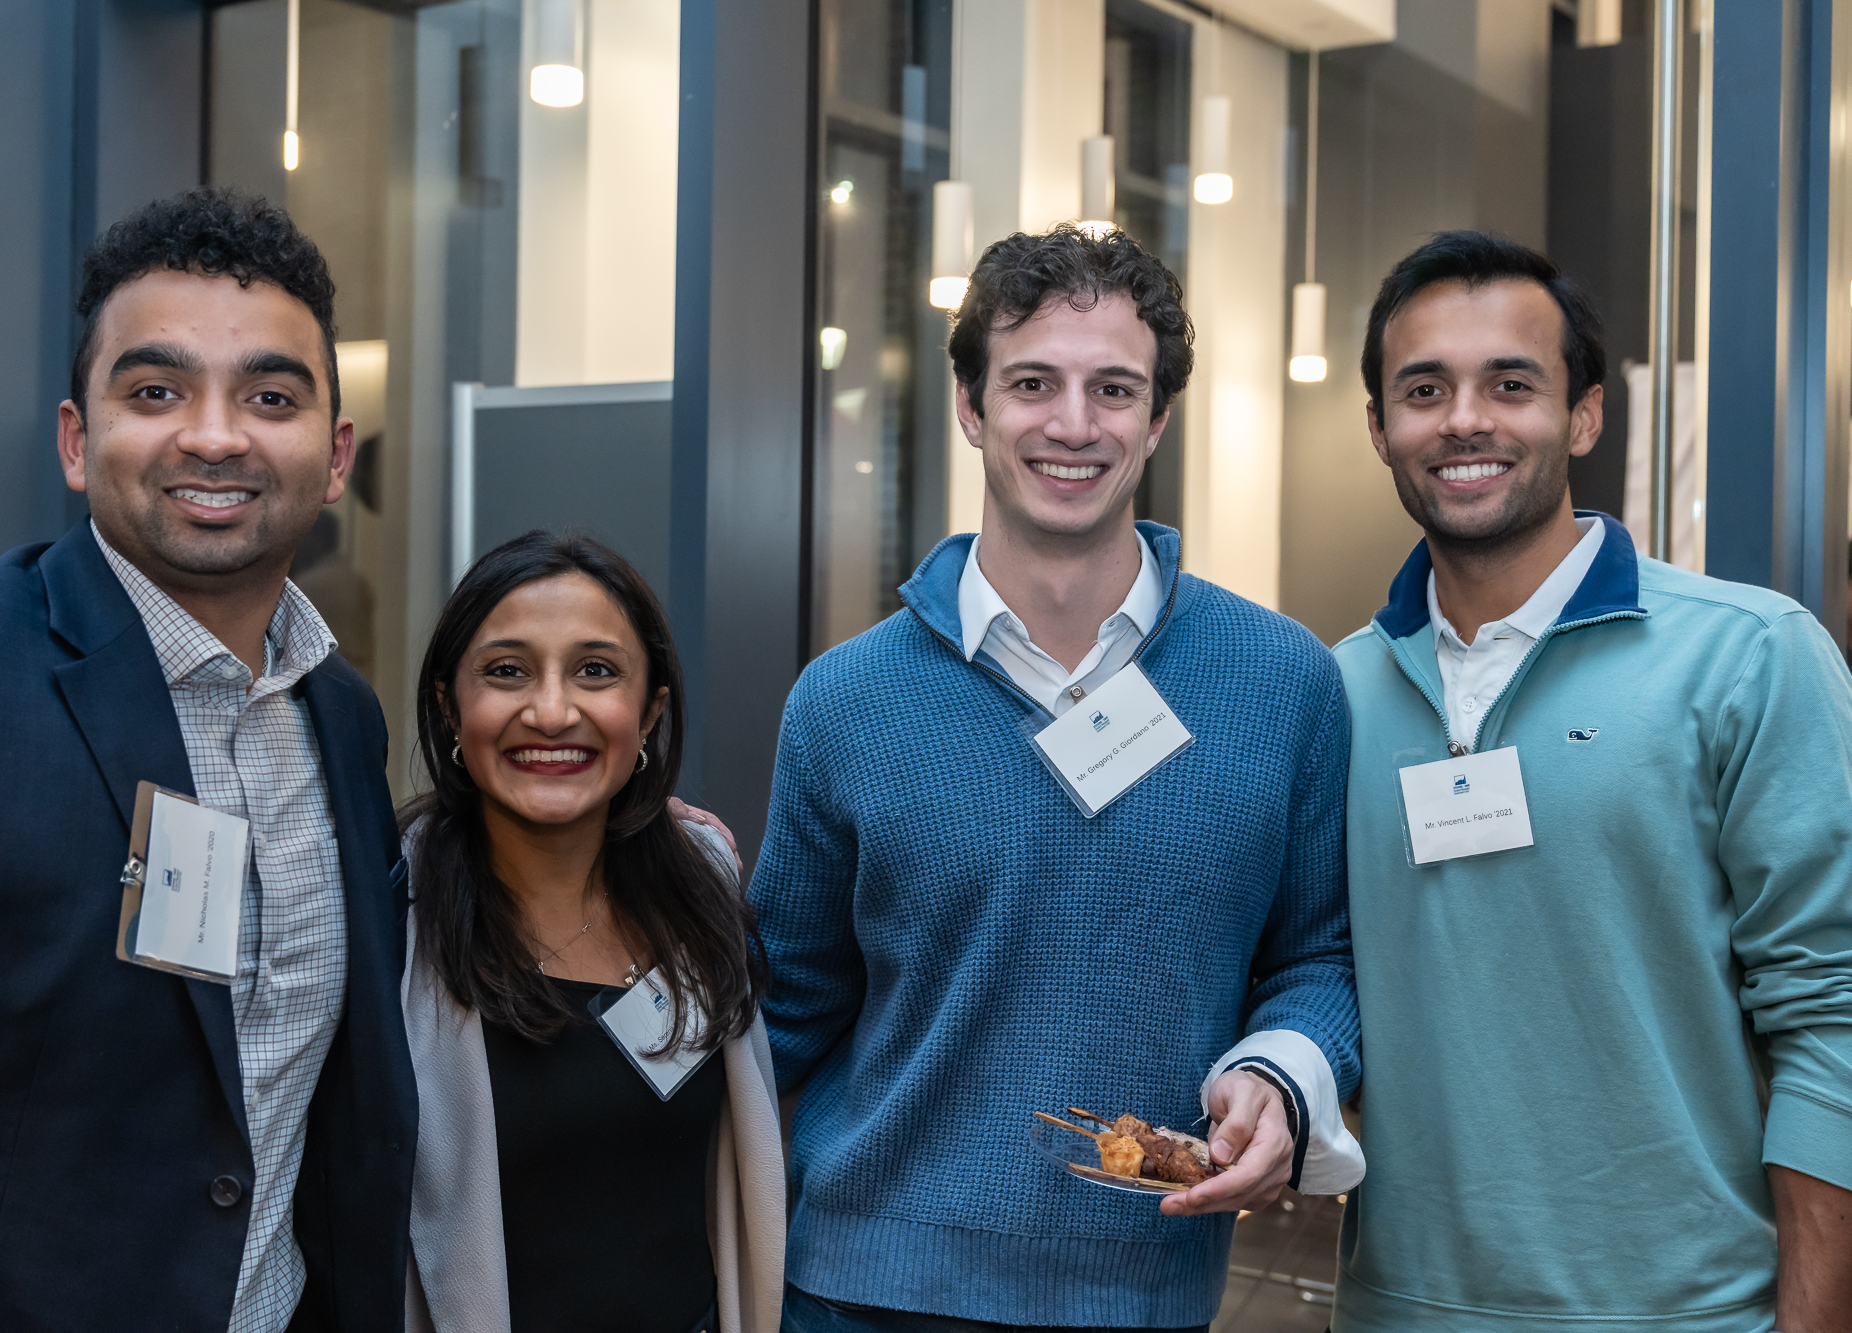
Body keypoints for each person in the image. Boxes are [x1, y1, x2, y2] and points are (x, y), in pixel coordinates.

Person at [749, 224, 1365, 1332]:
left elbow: (1316, 956)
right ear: (971, 407)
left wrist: (1279, 1073)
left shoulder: (1283, 682)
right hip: (860, 1286)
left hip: (1144, 1287)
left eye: (1112, 389)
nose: (1072, 425)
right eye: (1032, 382)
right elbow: (778, 1014)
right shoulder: (841, 702)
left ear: (1156, 419)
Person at [0, 188, 416, 1330]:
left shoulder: (344, 717)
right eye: (155, 392)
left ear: (335, 454)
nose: (214, 435)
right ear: (76, 440)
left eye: (270, 396)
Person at [1333, 231, 1852, 1333]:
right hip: (1398, 1311)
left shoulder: (1749, 655)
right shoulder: (1329, 693)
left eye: (1509, 383)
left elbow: (1832, 1016)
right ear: (1378, 429)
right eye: (1422, 389)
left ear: (1581, 415)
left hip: (1691, 1312)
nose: (1463, 419)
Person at [398, 529, 784, 1333]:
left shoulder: (699, 889)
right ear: (448, 704)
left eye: (596, 671)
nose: (550, 710)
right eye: (506, 671)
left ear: (650, 711)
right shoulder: (389, 917)